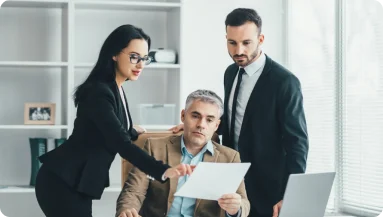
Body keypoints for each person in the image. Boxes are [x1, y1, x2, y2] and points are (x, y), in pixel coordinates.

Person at [34, 24, 193, 217]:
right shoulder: (99, 91)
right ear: (114, 54)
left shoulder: (116, 88)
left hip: (78, 183)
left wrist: (132, 130)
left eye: (144, 58)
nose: (140, 64)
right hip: (61, 181)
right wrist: (164, 171)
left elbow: (110, 128)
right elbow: (120, 143)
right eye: (134, 57)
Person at [170, 8, 309, 217]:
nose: (239, 51)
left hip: (268, 187)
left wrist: (290, 195)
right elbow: (237, 119)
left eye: (246, 43)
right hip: (231, 180)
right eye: (232, 43)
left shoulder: (285, 82)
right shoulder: (231, 72)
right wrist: (201, 127)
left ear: (260, 39)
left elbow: (297, 142)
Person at [116, 89, 250, 217]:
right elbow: (133, 191)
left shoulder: (229, 157)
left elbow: (244, 203)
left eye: (209, 120)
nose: (201, 125)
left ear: (216, 125)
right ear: (183, 115)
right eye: (195, 116)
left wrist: (235, 209)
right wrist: (128, 210)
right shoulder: (154, 147)